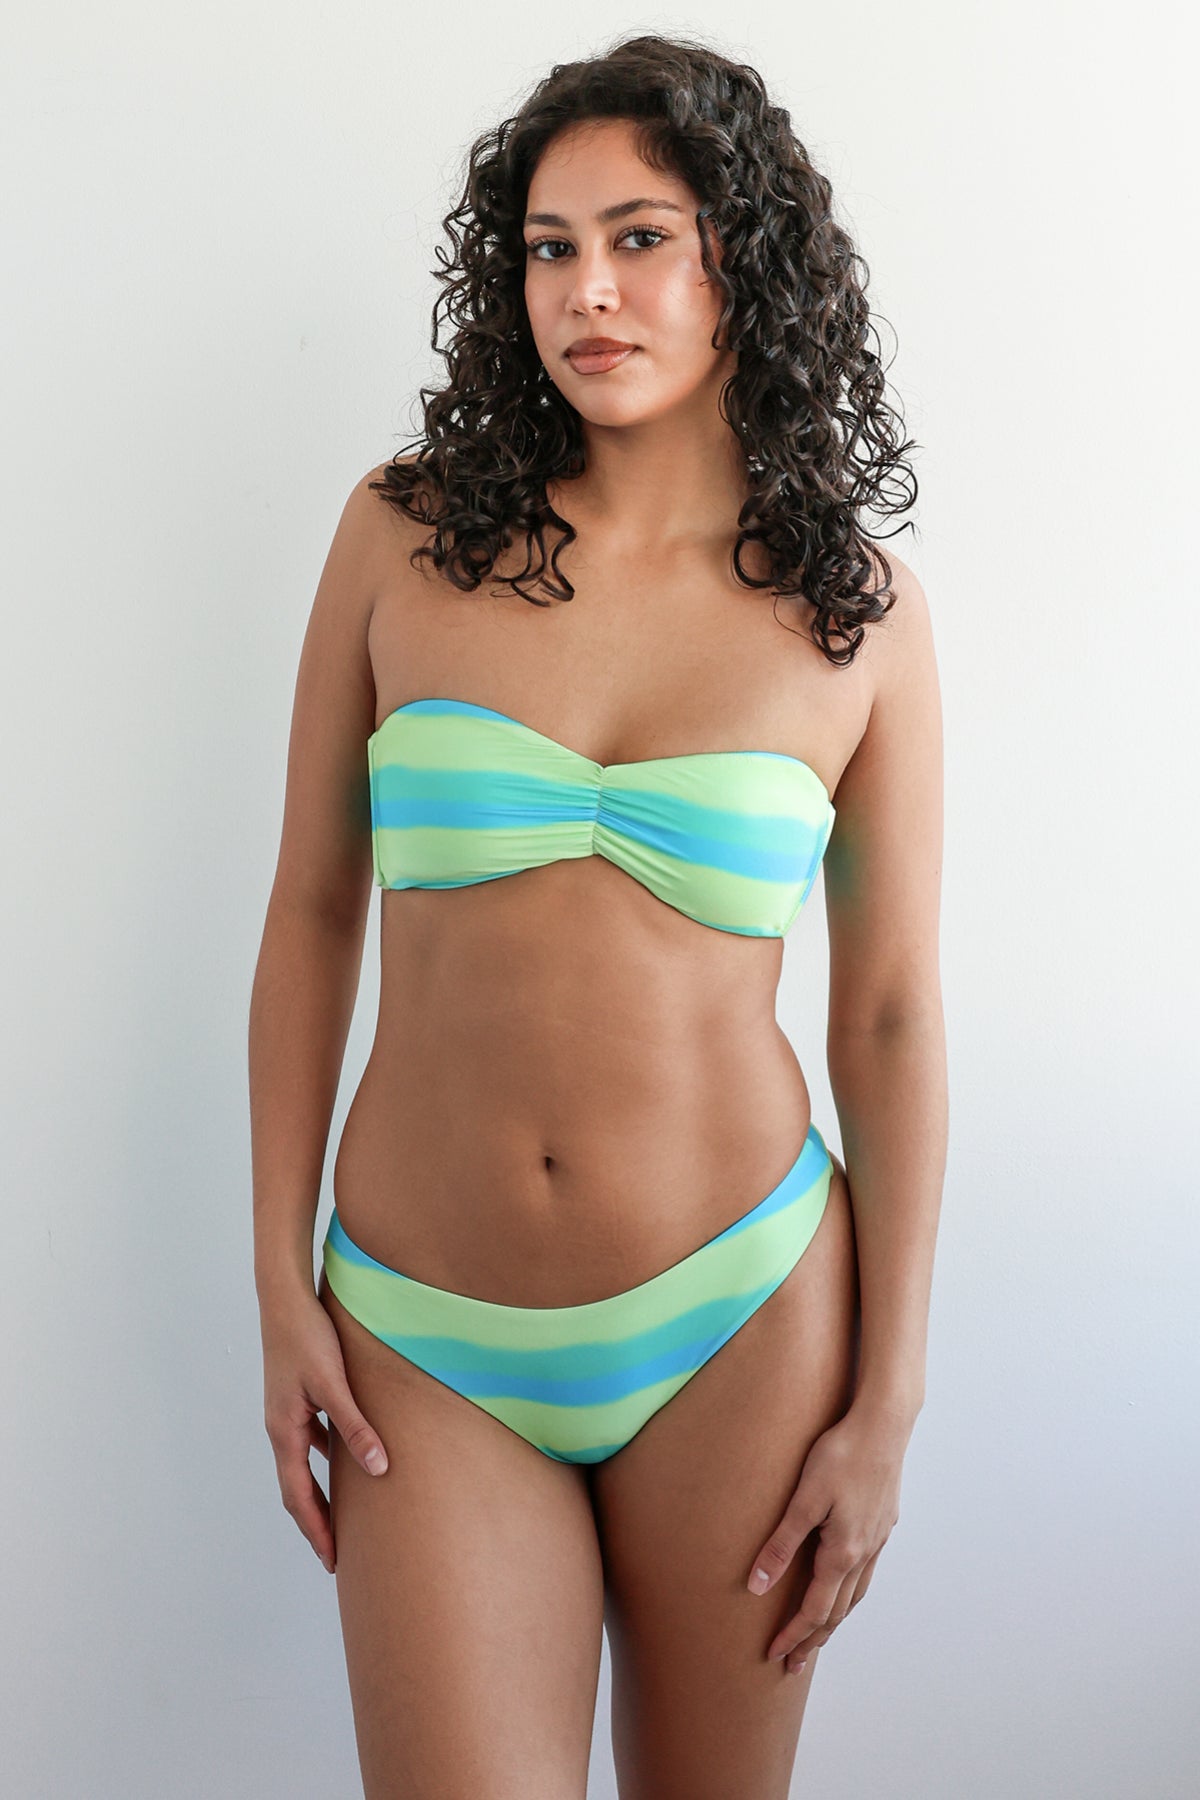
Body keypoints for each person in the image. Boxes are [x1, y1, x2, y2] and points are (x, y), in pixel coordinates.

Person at [249, 31, 947, 1800]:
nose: (588, 292)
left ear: (745, 263)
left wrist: (889, 1401)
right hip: (421, 1328)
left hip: (744, 1316)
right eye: (550, 248)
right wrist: (273, 1281)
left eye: (640, 239)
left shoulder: (856, 617)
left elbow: (887, 1014)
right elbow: (312, 914)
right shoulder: (401, 542)